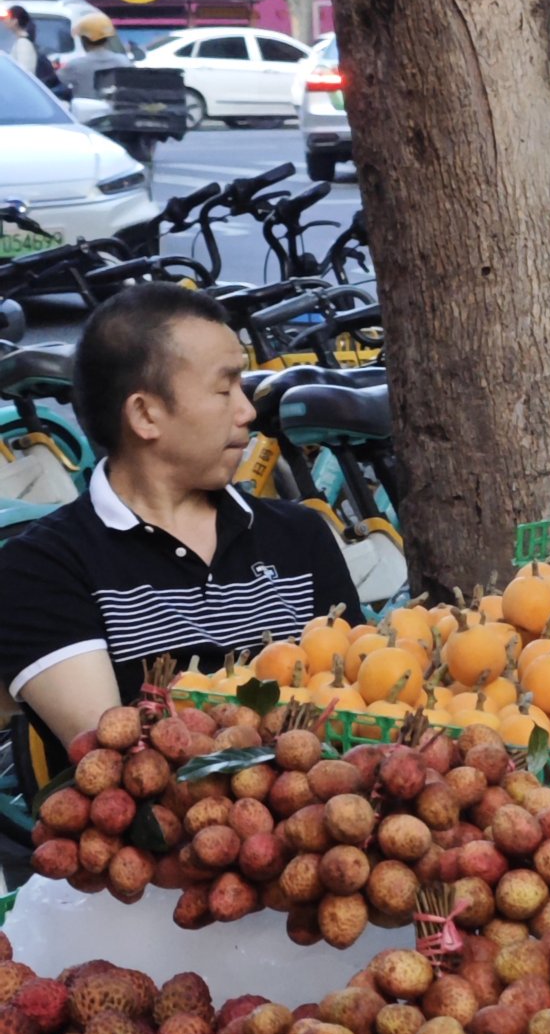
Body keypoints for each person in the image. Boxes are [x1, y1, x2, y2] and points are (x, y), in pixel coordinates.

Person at [0, 283, 361, 788]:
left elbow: (358, 704)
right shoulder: (42, 569)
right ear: (146, 414)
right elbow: (120, 762)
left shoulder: (300, 538)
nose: (247, 412)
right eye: (224, 388)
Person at [4, 8, 59, 93]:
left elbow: (26, 74)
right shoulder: (22, 42)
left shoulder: (23, 44)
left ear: (15, 21)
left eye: (7, 17)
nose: (4, 21)